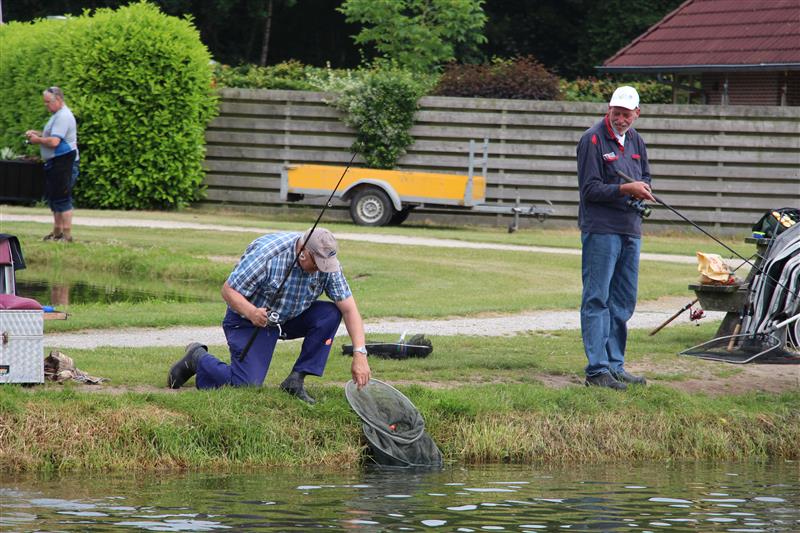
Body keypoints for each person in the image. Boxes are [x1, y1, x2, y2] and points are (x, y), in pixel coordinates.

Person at [167, 227, 371, 403]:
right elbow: (228, 291)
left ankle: (295, 381)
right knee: (245, 385)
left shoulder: (327, 265)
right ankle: (198, 358)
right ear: (303, 252)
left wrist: (360, 354)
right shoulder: (267, 255)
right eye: (316, 263)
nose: (321, 269)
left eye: (325, 265)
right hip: (249, 320)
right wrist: (251, 312)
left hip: (289, 316)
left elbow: (349, 309)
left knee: (330, 313)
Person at [576, 86, 655, 390]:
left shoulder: (636, 141)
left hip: (630, 229)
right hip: (601, 229)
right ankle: (597, 371)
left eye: (626, 114)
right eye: (616, 113)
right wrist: (625, 189)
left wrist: (642, 189)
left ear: (637, 113)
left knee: (623, 301)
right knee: (597, 298)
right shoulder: (592, 139)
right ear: (608, 109)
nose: (620, 119)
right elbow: (590, 190)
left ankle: (615, 366)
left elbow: (645, 176)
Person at [25, 86, 80, 243]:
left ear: (58, 99)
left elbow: (55, 142)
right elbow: (53, 135)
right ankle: (57, 233)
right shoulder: (57, 115)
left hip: (64, 162)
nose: (46, 105)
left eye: (48, 102)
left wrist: (37, 140)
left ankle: (67, 236)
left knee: (62, 198)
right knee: (55, 198)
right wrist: (37, 134)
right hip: (55, 162)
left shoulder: (63, 116)